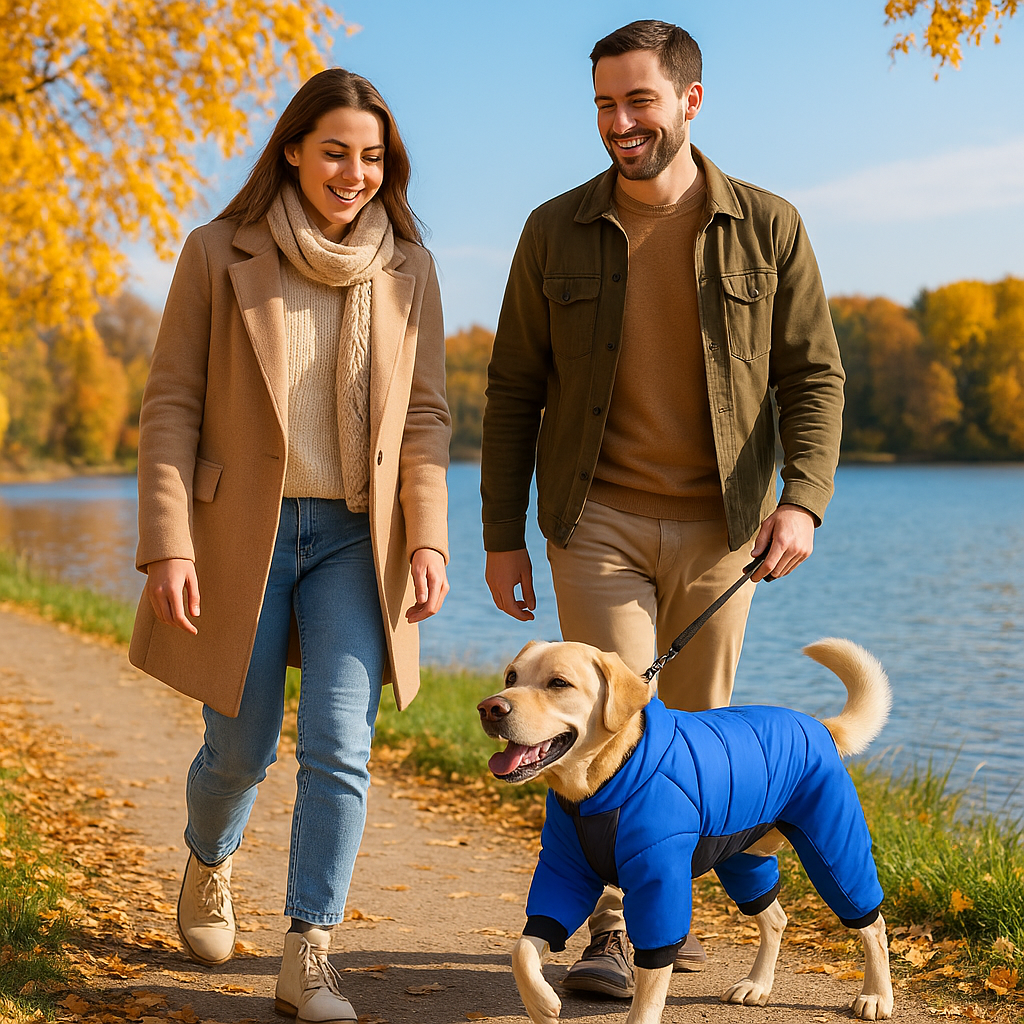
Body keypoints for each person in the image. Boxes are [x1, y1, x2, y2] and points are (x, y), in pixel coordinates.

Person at [480, 20, 844, 999]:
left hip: (725, 529)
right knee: (604, 721)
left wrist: (803, 501)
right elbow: (512, 389)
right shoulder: (554, 229)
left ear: (690, 100)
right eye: (604, 103)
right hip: (593, 516)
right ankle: (611, 935)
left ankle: (662, 911)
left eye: (638, 100)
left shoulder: (767, 226)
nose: (619, 122)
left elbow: (814, 375)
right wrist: (502, 534)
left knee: (696, 734)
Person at [129, 68, 451, 1024]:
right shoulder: (217, 251)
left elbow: (425, 417)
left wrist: (429, 537)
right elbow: (171, 405)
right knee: (240, 748)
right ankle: (209, 861)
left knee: (342, 746)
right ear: (294, 152)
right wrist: (170, 545)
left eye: (372, 157)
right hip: (243, 533)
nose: (354, 173)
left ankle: (308, 953)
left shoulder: (410, 268)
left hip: (358, 536)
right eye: (336, 152)